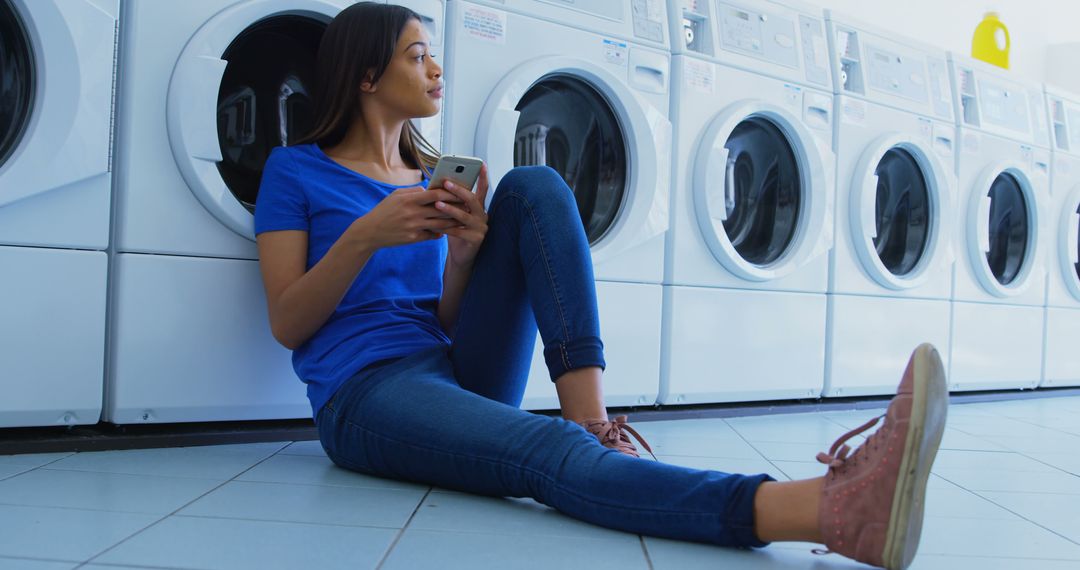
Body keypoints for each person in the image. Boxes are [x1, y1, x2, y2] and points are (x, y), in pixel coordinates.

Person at [253, 3, 949, 569]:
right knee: (545, 454)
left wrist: (463, 255)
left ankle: (591, 420)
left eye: (433, 52)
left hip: (451, 366)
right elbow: (288, 322)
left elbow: (443, 317)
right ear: (367, 76)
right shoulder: (295, 171)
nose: (436, 68)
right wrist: (366, 233)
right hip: (365, 393)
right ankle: (825, 508)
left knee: (534, 186)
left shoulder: (432, 172)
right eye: (416, 55)